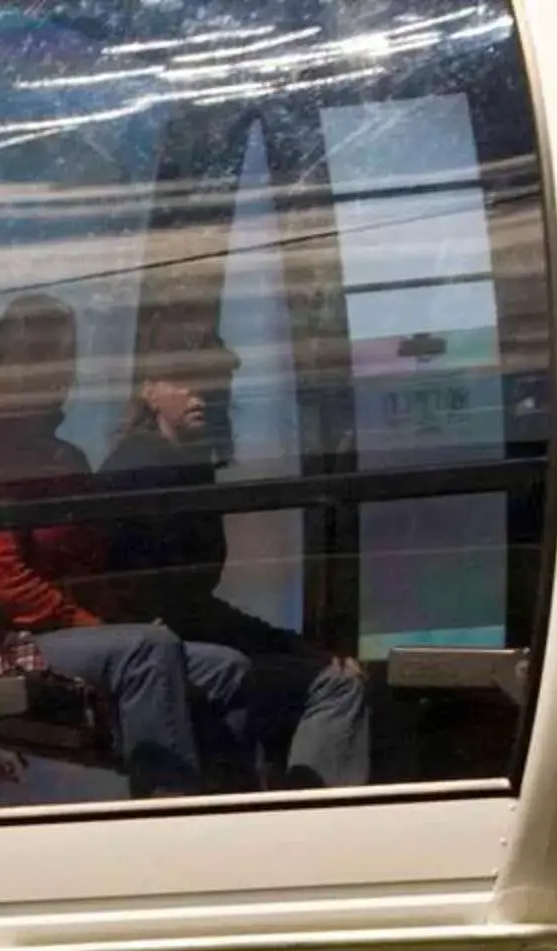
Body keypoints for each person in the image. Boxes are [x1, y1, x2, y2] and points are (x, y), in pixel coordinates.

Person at [0, 293, 205, 798]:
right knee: (147, 652)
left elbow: (90, 567)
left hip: (73, 635)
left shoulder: (66, 457)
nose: (57, 375)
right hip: (2, 642)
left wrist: (123, 615)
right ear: (8, 367)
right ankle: (168, 815)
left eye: (63, 360)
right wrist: (98, 626)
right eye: (40, 359)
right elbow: (3, 583)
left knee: (223, 667)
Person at [101, 308, 373, 789]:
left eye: (214, 384)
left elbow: (191, 603)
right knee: (335, 688)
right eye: (186, 381)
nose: (202, 395)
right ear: (150, 390)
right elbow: (158, 597)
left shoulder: (189, 466)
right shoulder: (145, 465)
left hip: (183, 634)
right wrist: (291, 648)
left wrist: (291, 644)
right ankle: (316, 824)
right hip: (159, 647)